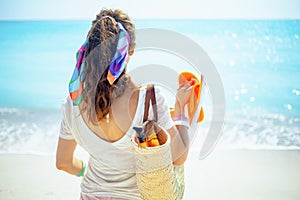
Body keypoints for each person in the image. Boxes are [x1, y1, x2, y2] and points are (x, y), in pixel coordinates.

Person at [56, 9, 192, 200]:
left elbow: (63, 163)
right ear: (131, 50)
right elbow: (179, 157)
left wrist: (84, 171)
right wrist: (181, 111)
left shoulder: (72, 104)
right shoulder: (149, 100)